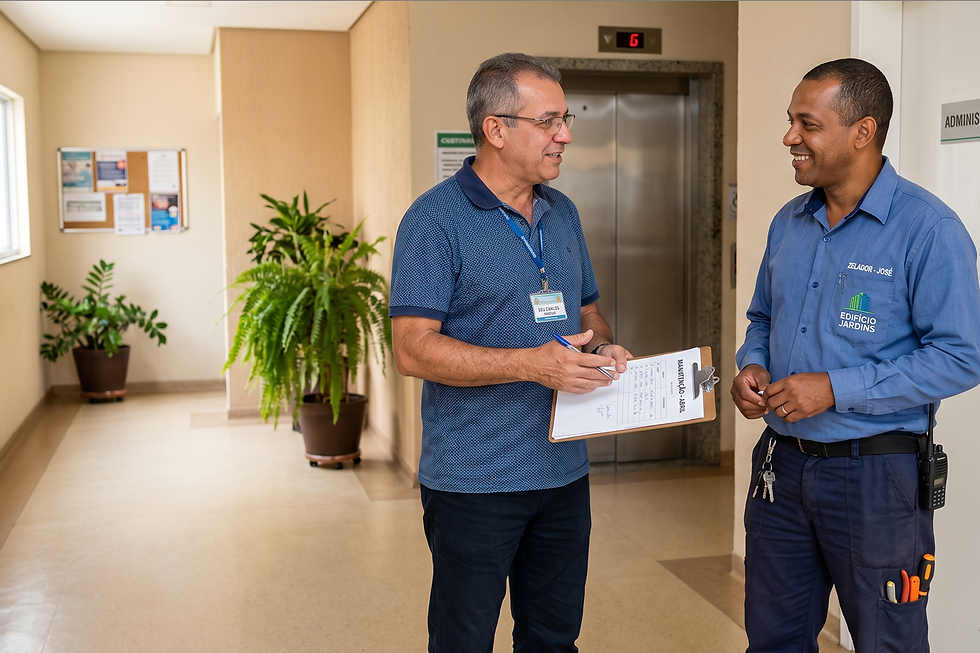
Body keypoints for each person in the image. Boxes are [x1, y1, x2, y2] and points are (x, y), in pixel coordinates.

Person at [731, 58, 980, 652]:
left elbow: (961, 356)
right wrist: (752, 364)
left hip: (877, 478)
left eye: (807, 124)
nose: (790, 137)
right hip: (781, 469)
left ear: (862, 131)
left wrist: (837, 388)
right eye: (791, 122)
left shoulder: (929, 229)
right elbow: (763, 317)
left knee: (886, 641)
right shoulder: (788, 223)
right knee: (774, 639)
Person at [389, 52, 631, 652]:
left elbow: (586, 309)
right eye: (548, 121)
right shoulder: (432, 221)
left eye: (565, 118)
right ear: (495, 129)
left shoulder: (563, 212)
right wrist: (531, 364)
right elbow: (412, 351)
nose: (565, 134)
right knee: (463, 640)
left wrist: (601, 346)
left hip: (564, 473)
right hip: (475, 481)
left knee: (553, 637)